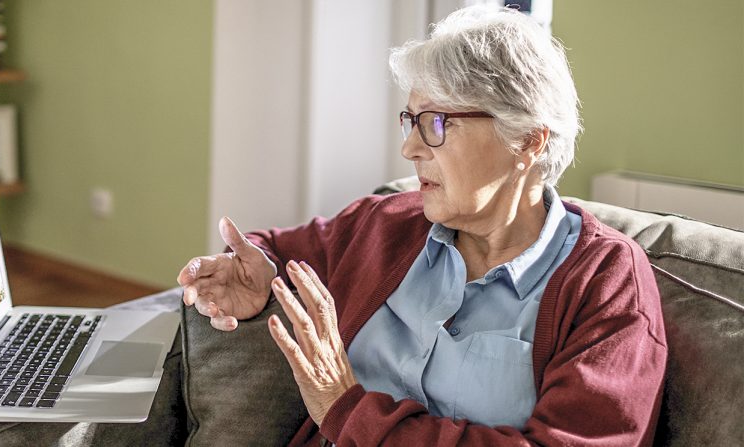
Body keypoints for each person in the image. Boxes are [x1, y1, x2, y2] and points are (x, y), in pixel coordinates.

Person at [177, 5, 666, 446]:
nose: (409, 148)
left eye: (435, 123)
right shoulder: (387, 222)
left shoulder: (606, 283)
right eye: (409, 120)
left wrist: (346, 409)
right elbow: (279, 252)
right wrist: (256, 270)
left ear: (527, 141)